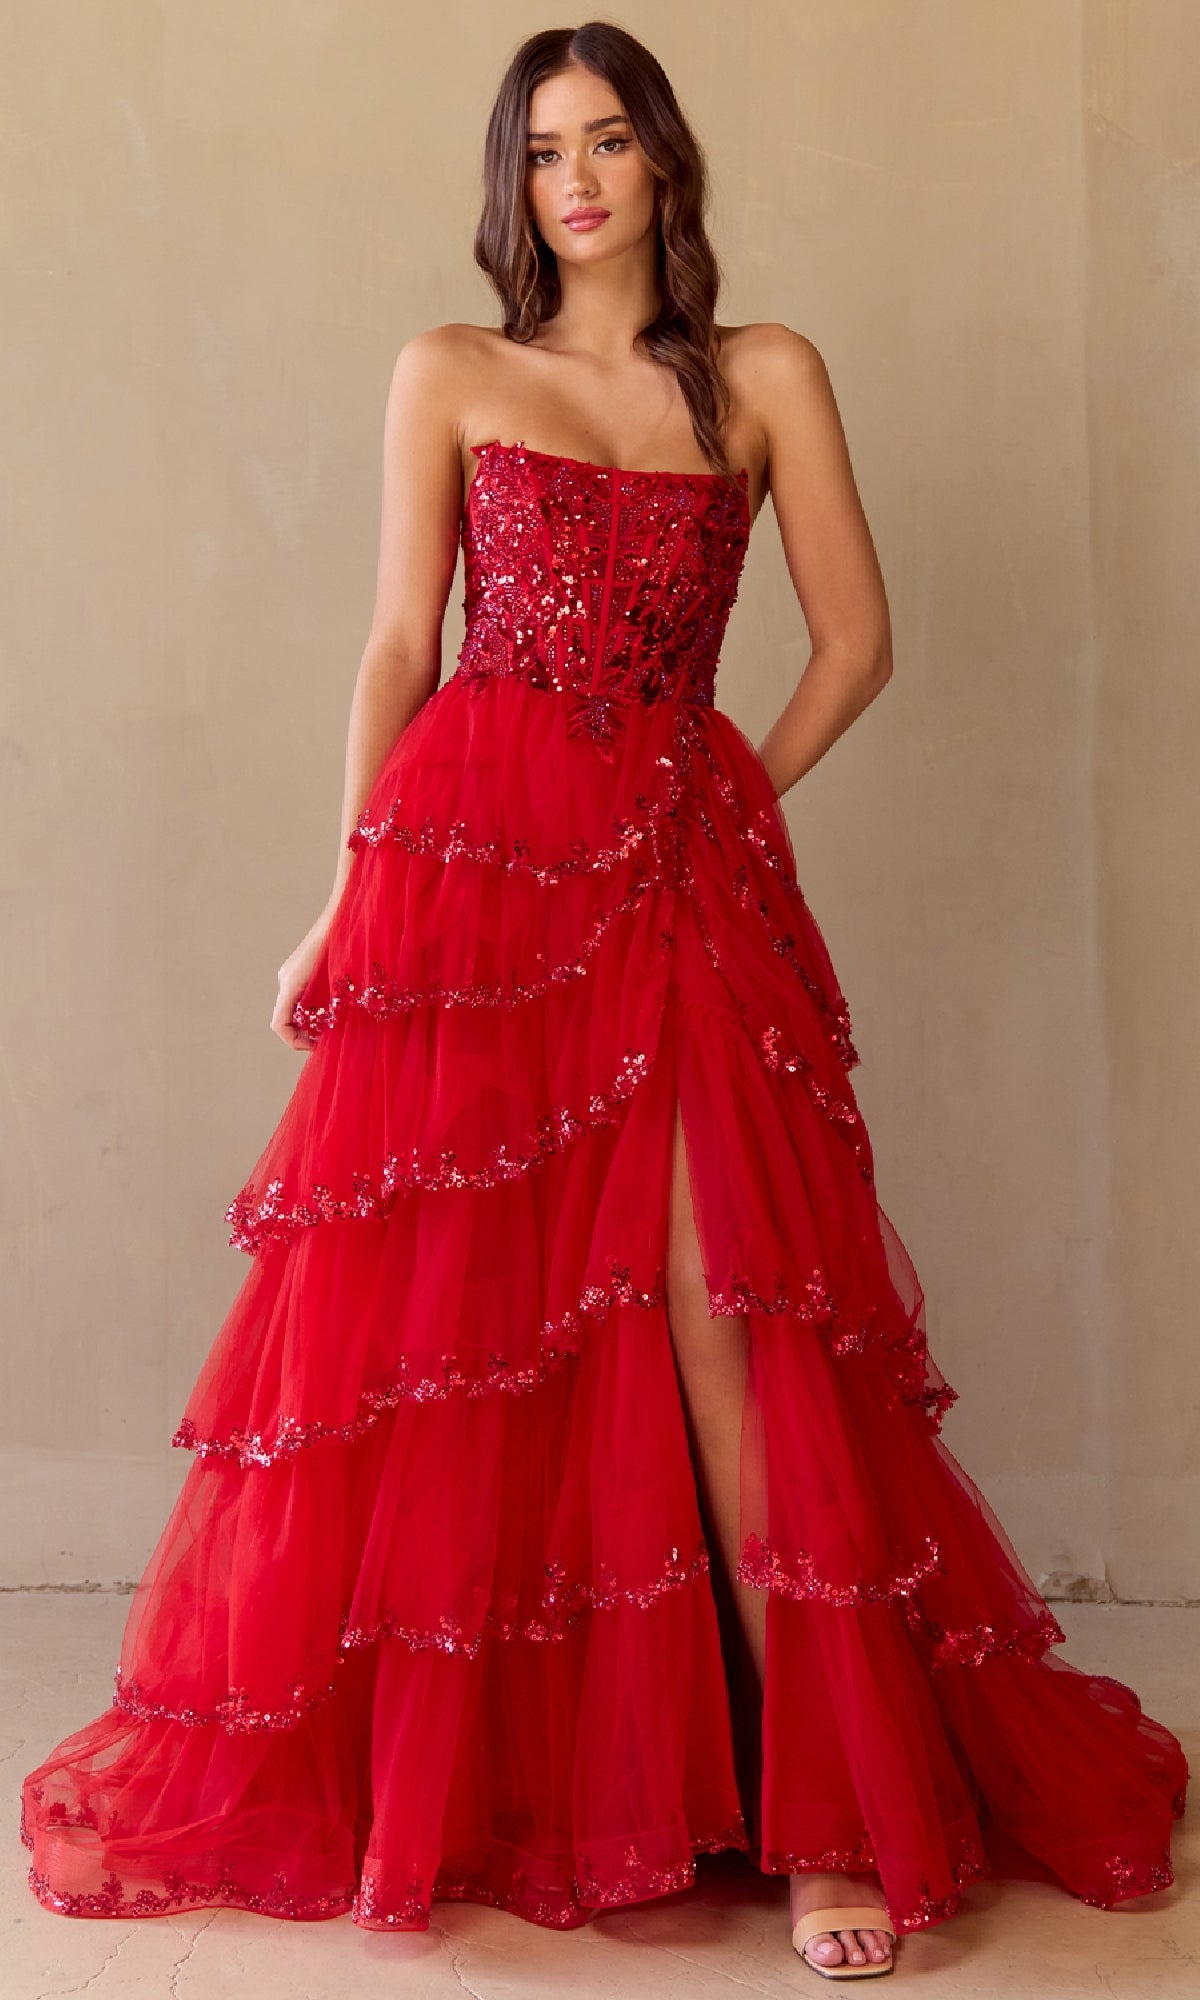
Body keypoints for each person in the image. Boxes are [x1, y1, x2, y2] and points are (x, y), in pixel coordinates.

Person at [21, 20, 1187, 1984]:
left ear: (666, 165)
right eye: (545, 148)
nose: (577, 178)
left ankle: (826, 1816)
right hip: (472, 877)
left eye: (612, 140)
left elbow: (859, 635)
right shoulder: (452, 372)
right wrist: (345, 895)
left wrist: (728, 800)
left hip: (664, 887)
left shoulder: (763, 377)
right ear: (518, 183)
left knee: (721, 1313)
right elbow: (404, 640)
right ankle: (487, 1788)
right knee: (465, 1317)